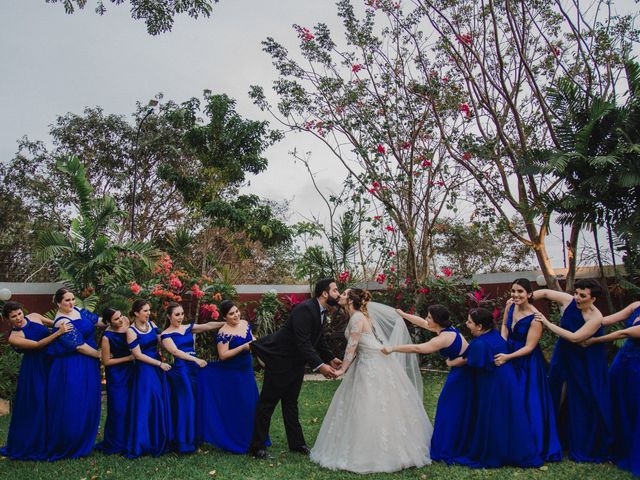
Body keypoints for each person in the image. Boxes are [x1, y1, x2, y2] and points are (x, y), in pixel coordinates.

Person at [310, 288, 432, 473]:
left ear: (351, 301)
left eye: (344, 294)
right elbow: (358, 347)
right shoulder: (357, 316)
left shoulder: (358, 318)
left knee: (371, 403)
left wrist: (343, 368)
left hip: (372, 364)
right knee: (363, 403)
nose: (340, 296)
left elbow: (352, 346)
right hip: (366, 362)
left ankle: (380, 453)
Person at [249, 279, 342, 459]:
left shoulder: (321, 312)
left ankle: (297, 444)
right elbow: (303, 342)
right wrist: (320, 366)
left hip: (296, 364)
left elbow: (318, 340)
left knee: (291, 404)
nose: (338, 294)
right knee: (267, 405)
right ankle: (257, 447)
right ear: (324, 293)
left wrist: (330, 358)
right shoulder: (305, 309)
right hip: (280, 362)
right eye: (336, 290)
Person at [446, 308, 542, 468]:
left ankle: (494, 451)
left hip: (493, 383)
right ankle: (512, 451)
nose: (467, 324)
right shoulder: (494, 336)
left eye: (470, 322)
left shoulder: (480, 343)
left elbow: (471, 362)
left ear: (479, 326)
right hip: (507, 380)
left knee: (493, 417)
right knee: (507, 416)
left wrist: (450, 362)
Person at [533, 279, 612, 462]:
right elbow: (544, 293)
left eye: (582, 295)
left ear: (592, 298)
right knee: (556, 391)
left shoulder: (595, 317)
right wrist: (523, 298)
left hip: (585, 360)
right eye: (576, 293)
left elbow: (576, 338)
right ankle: (552, 438)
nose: (577, 297)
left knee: (585, 398)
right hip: (563, 355)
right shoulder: (569, 301)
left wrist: (547, 323)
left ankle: (586, 441)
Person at [383, 304, 470, 464]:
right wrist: (404, 314)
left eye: (429, 317)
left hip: (463, 375)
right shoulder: (444, 329)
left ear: (436, 321)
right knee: (450, 407)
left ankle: (448, 446)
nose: (426, 319)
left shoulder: (443, 338)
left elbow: (419, 348)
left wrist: (392, 348)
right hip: (459, 371)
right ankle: (451, 442)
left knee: (448, 407)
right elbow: (421, 323)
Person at [493, 279, 562, 461]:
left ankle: (531, 443)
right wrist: (503, 345)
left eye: (520, 291)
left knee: (527, 400)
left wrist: (508, 356)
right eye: (513, 291)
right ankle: (509, 441)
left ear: (530, 294)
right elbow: (505, 328)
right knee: (509, 398)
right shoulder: (510, 306)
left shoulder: (535, 318)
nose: (515, 295)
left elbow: (530, 347)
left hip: (527, 363)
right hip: (509, 354)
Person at [0, 301, 72, 460]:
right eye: (13, 317)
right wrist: (59, 333)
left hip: (52, 361)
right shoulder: (14, 337)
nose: (18, 318)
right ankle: (35, 441)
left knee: (54, 399)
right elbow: (38, 345)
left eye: (19, 313)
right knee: (38, 402)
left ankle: (56, 438)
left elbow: (55, 323)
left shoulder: (34, 316)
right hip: (34, 369)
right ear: (7, 319)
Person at [197, 300, 267, 453]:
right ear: (225, 317)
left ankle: (256, 439)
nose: (236, 315)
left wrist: (263, 360)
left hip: (246, 372)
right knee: (238, 407)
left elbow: (254, 344)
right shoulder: (224, 332)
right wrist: (242, 347)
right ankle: (239, 440)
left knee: (252, 405)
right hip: (232, 374)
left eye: (236, 311)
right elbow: (223, 355)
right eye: (231, 313)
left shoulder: (245, 323)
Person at [581, 300, 640, 475]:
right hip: (621, 364)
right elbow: (606, 320)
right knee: (616, 404)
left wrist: (595, 340)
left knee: (633, 407)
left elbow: (623, 333)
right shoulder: (636, 305)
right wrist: (586, 311)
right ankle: (615, 445)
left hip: (637, 369)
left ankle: (631, 449)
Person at [46, 288, 103, 460]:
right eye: (67, 301)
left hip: (87, 363)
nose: (71, 303)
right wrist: (101, 355)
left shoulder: (77, 310)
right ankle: (71, 442)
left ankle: (85, 438)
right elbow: (78, 345)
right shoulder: (61, 322)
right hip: (72, 365)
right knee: (74, 401)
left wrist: (115, 320)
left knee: (88, 399)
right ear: (58, 303)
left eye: (72, 299)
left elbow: (97, 320)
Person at [161, 302, 224, 453]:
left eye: (182, 314)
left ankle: (196, 439)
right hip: (182, 370)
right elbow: (175, 352)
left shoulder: (187, 328)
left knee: (197, 402)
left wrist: (226, 322)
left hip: (195, 370)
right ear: (169, 317)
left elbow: (208, 325)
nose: (181, 317)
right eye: (177, 315)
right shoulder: (165, 335)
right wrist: (195, 359)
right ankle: (184, 443)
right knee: (187, 404)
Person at [125, 299, 172, 458]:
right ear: (136, 313)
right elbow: (137, 355)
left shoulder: (152, 325)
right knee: (147, 401)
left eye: (148, 310)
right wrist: (159, 363)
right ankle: (143, 442)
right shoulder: (131, 331)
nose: (148, 313)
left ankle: (159, 438)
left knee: (159, 400)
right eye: (145, 310)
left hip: (157, 366)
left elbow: (162, 341)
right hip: (145, 368)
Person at [97, 307, 134, 455]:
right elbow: (106, 361)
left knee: (131, 405)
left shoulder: (126, 322)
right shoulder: (107, 337)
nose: (120, 320)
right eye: (116, 319)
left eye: (120, 316)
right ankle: (116, 443)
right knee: (118, 408)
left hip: (132, 371)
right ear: (108, 322)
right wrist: (129, 358)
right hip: (117, 373)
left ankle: (131, 439)